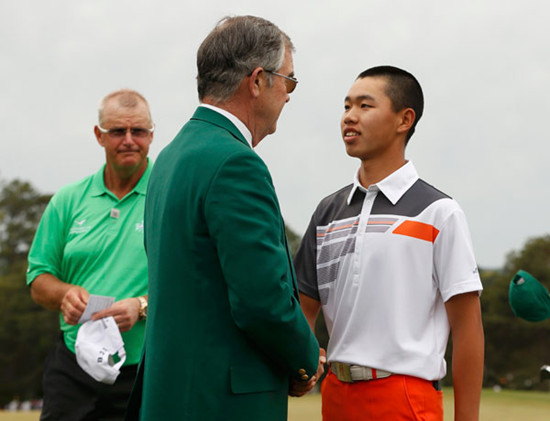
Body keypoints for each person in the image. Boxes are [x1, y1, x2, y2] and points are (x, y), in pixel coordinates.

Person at [125, 15, 323, 421]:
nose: (288, 95)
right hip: (221, 402)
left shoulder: (168, 158)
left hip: (171, 397)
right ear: (257, 80)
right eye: (288, 80)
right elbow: (262, 301)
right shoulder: (236, 163)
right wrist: (305, 360)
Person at [294, 66, 484, 421]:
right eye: (346, 106)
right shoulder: (327, 212)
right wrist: (300, 365)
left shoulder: (439, 213)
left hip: (406, 398)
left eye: (365, 106)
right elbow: (304, 310)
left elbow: (468, 326)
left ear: (404, 120)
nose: (350, 117)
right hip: (335, 396)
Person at [27, 89, 154, 420]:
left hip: (146, 368)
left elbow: (193, 281)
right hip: (74, 365)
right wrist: (65, 293)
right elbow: (38, 278)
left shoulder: (169, 196)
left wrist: (141, 306)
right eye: (117, 131)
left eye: (138, 131)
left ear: (151, 135)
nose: (129, 140)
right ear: (99, 135)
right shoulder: (67, 200)